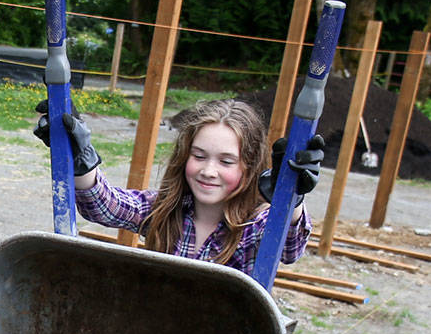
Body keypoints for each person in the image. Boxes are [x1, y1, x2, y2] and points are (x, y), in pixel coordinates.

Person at [35, 98, 323, 277]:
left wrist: (291, 200)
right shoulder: (165, 210)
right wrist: (81, 159)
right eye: (199, 156)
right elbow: (105, 206)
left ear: (248, 166)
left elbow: (288, 248)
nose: (208, 171)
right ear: (185, 155)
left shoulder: (256, 224)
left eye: (226, 161)